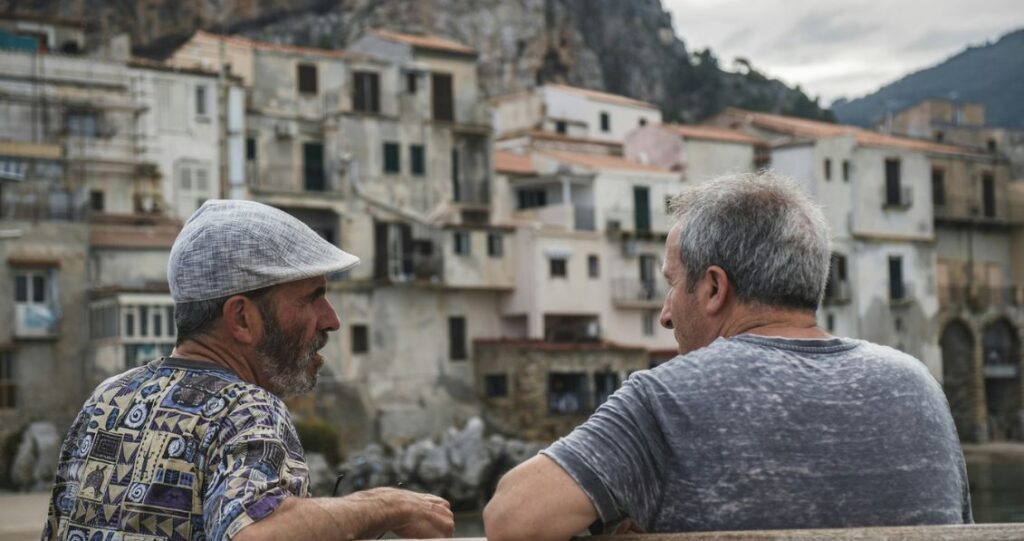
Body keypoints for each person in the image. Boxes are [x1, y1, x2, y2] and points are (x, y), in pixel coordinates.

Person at [483, 172, 972, 540]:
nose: (665, 316)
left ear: (715, 287)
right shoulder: (918, 385)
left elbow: (510, 519)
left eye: (673, 284)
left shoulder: (668, 396)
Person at [44, 200, 454, 541]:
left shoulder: (109, 398)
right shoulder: (245, 408)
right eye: (311, 299)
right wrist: (388, 505)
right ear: (241, 318)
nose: (331, 320)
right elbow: (257, 534)